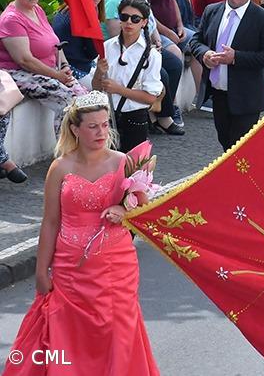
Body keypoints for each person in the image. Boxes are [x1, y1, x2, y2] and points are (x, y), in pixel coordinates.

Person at [6, 92, 160, 372]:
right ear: (75, 130)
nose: (101, 132)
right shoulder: (60, 167)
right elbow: (50, 221)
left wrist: (124, 211)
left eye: (104, 125)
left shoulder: (123, 162)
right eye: (93, 126)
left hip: (115, 266)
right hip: (69, 269)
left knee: (117, 332)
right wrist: (42, 271)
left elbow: (144, 209)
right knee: (67, 334)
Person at [188, 0, 264, 151]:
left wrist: (236, 57)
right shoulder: (212, 10)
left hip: (247, 96)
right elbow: (197, 40)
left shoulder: (263, 18)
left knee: (239, 150)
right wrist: (204, 54)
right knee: (225, 143)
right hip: (218, 94)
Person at [0, 0, 81, 183]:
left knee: (85, 97)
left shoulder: (37, 10)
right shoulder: (10, 19)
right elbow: (24, 60)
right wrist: (57, 76)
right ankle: (66, 160)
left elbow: (55, 44)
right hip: (17, 74)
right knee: (65, 98)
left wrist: (64, 66)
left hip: (47, 70)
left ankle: (89, 153)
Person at [101, 0, 163, 152]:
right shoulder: (107, 47)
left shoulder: (152, 55)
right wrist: (98, 73)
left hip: (135, 118)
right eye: (124, 17)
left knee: (132, 171)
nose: (129, 22)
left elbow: (150, 97)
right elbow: (97, 86)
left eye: (135, 18)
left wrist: (118, 89)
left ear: (144, 22)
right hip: (107, 117)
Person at [51, 0, 107, 82]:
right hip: (71, 69)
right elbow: (93, 52)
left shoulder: (67, 8)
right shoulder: (82, 15)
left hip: (69, 62)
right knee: (104, 87)